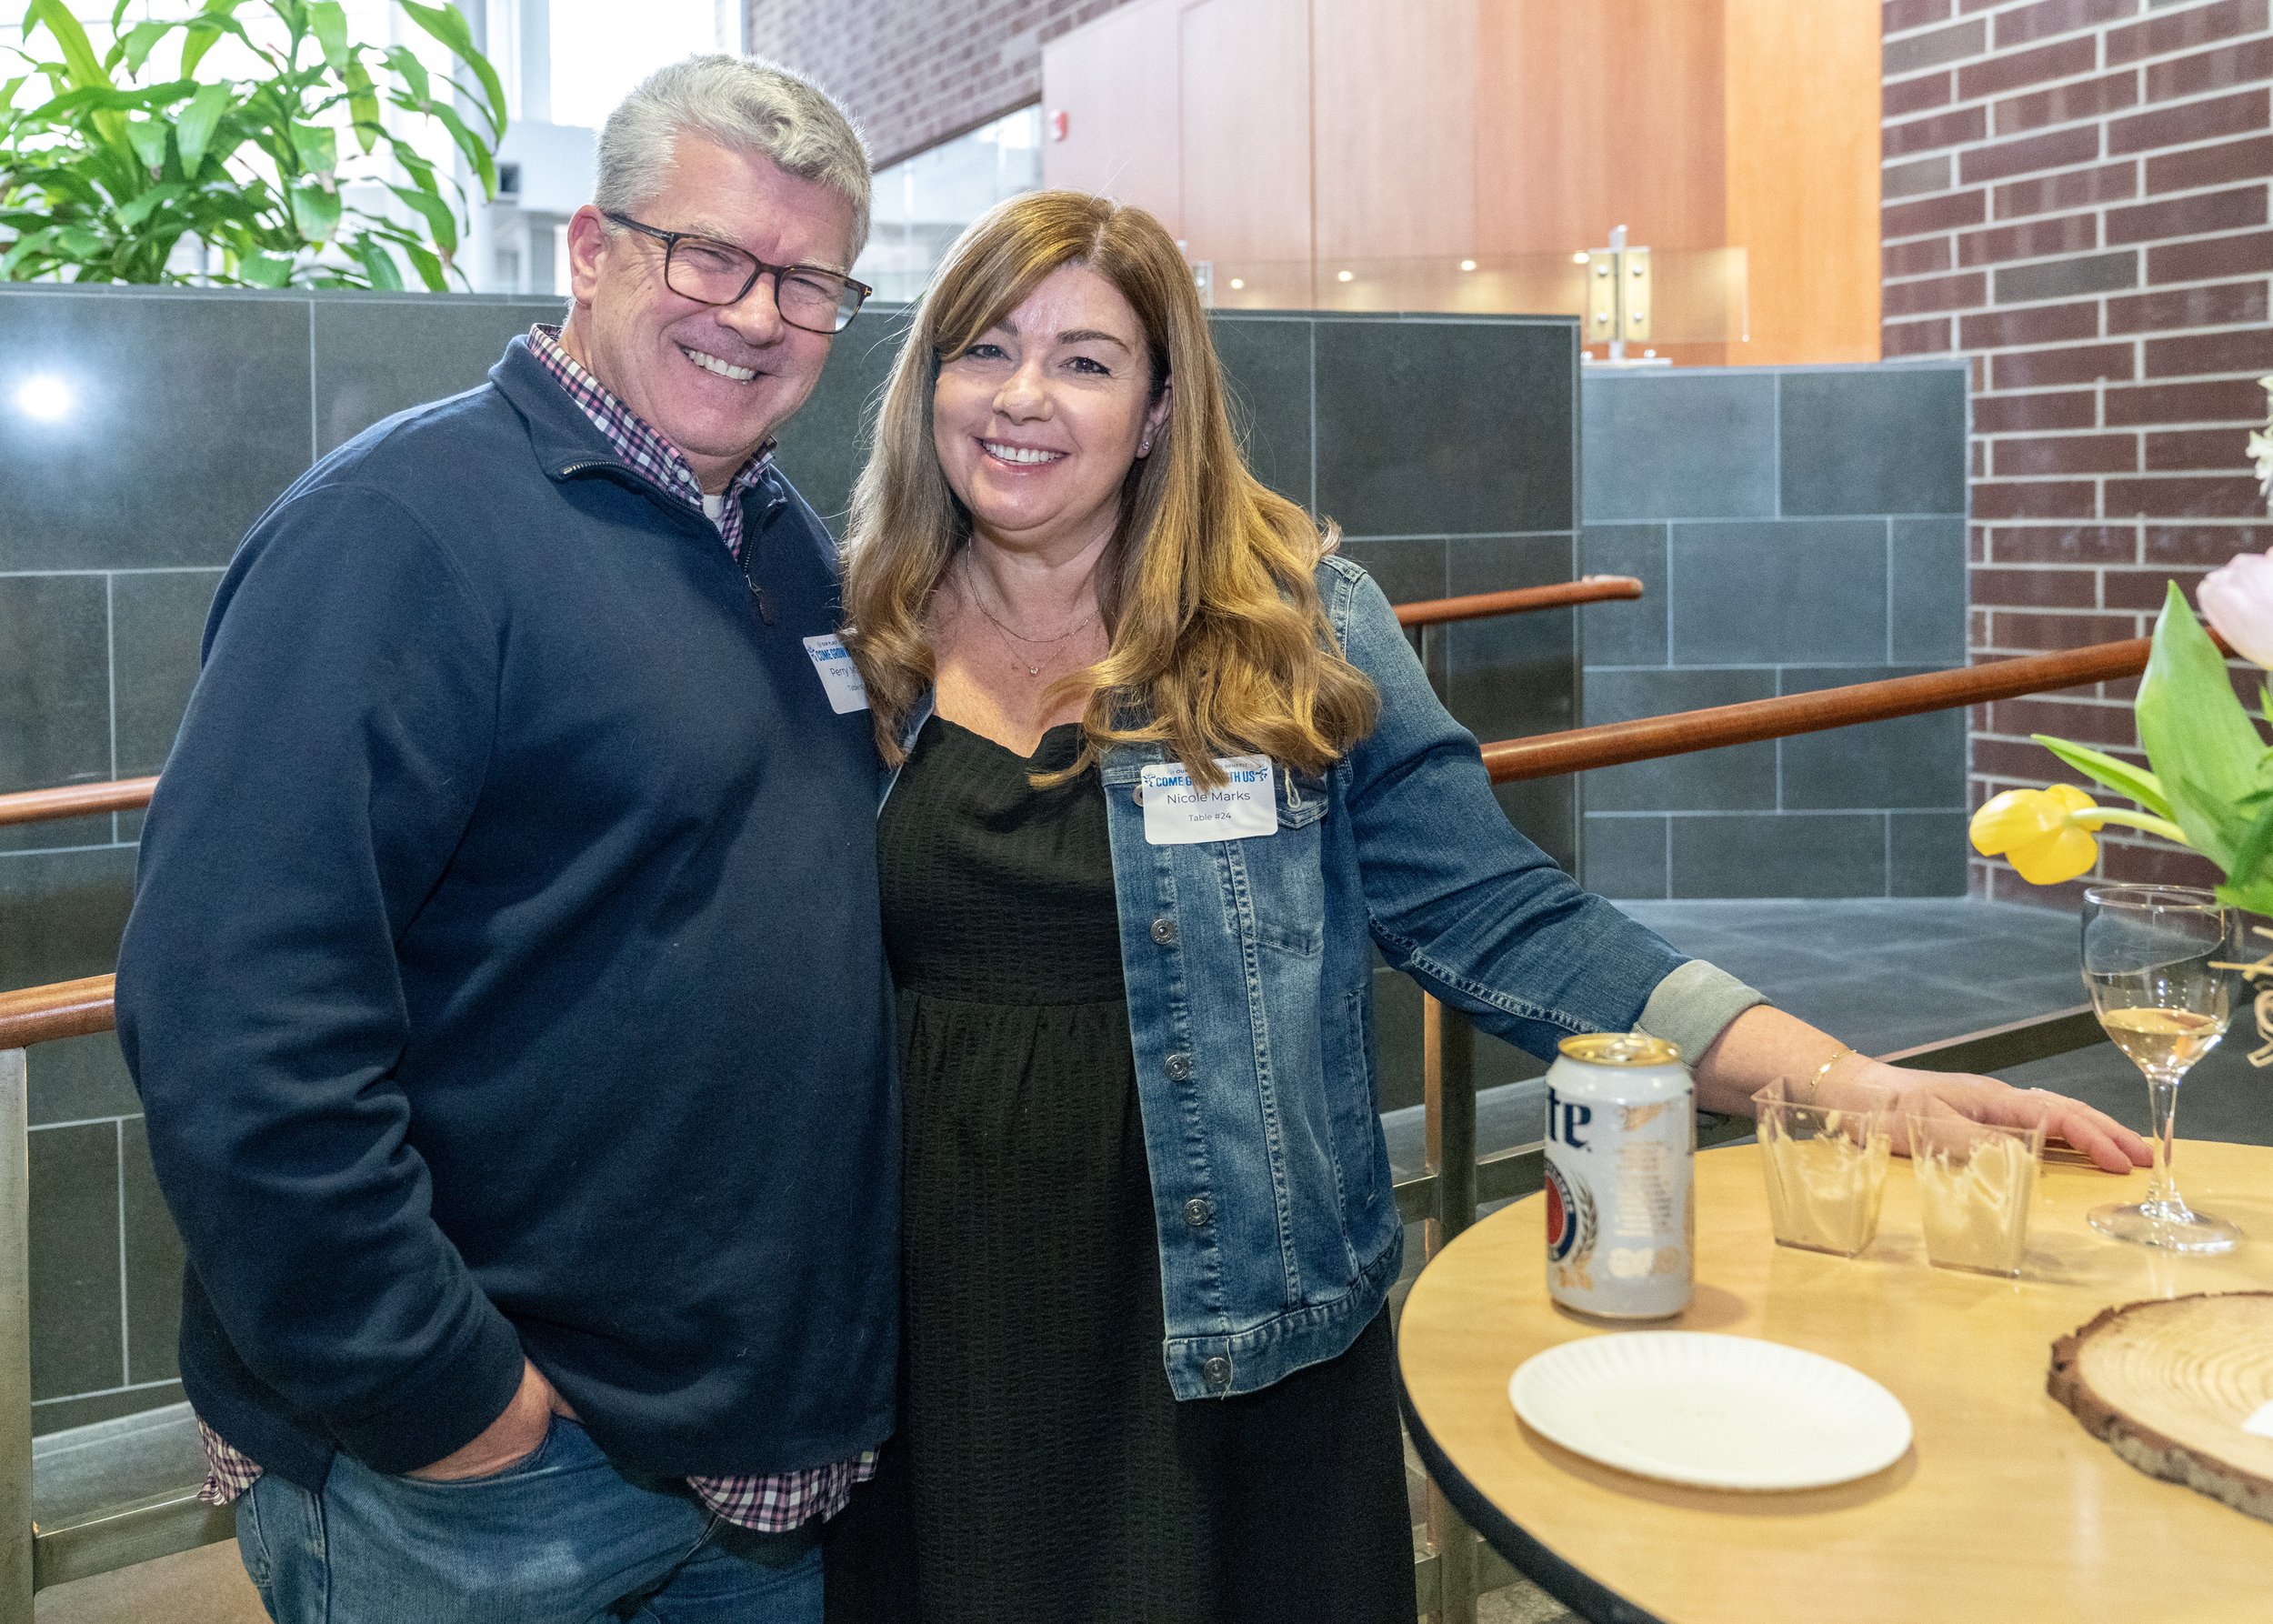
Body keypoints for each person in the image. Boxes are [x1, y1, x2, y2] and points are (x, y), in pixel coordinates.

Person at [822, 189, 2152, 1624]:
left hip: (1236, 1320)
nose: (1023, 396)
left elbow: (1505, 916)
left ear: (1156, 411)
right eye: (985, 348)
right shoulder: (855, 632)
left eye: (1085, 360)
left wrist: (1849, 1082)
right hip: (931, 1310)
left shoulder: (1292, 626)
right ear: (929, 380)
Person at [115, 56, 890, 1624]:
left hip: (750, 1453)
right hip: (495, 1485)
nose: (756, 314)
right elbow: (230, 1014)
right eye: (710, 256)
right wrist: (446, 1394)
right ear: (591, 250)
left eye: (807, 282)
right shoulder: (397, 530)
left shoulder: (785, 544)